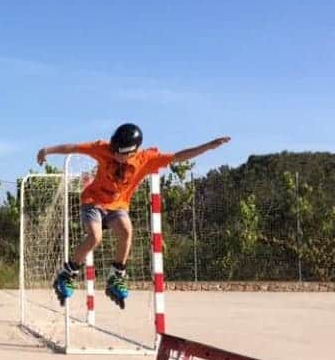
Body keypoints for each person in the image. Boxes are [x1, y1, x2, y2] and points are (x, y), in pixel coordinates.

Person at [36, 124, 230, 309]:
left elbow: (178, 157)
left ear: (133, 151)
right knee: (95, 237)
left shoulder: (147, 159)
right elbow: (74, 147)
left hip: (117, 206)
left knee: (127, 231)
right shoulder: (103, 148)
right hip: (93, 201)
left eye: (119, 154)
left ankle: (116, 275)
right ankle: (67, 273)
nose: (114, 155)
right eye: (113, 151)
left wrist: (208, 146)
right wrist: (47, 150)